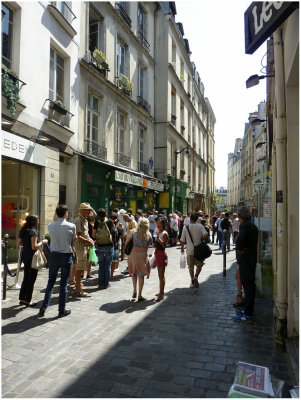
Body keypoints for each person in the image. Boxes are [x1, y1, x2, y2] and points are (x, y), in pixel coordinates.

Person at [39, 205, 76, 317]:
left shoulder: (51, 226)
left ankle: (44, 305)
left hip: (55, 255)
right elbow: (73, 240)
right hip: (65, 255)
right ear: (65, 213)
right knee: (63, 284)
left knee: (51, 281)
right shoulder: (71, 225)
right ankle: (61, 310)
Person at [233, 206, 258, 322]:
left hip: (246, 260)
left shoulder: (244, 226)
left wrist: (240, 248)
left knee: (248, 287)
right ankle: (248, 309)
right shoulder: (253, 226)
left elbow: (241, 240)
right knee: (249, 286)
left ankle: (248, 314)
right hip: (251, 259)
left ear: (240, 217)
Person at [17, 215, 48, 307]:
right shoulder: (33, 232)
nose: (38, 222)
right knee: (31, 280)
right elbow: (34, 246)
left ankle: (22, 298)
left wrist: (26, 243)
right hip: (32, 258)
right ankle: (28, 300)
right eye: (37, 221)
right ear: (34, 222)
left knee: (26, 278)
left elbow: (18, 243)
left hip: (25, 257)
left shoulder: (23, 231)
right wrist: (43, 242)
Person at [125, 218, 152, 301]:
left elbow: (126, 242)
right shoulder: (149, 235)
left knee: (134, 273)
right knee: (141, 275)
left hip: (134, 254)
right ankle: (140, 295)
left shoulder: (134, 232)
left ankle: (134, 290)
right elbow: (148, 246)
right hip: (143, 255)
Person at [180, 213, 208, 288]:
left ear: (190, 219)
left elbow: (182, 240)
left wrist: (182, 248)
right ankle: (196, 276)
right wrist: (201, 239)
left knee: (190, 267)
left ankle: (192, 281)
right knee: (199, 265)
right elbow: (206, 234)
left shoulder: (186, 227)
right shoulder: (200, 226)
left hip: (189, 250)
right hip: (199, 249)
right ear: (197, 219)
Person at [73, 203, 95, 297]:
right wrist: (88, 241)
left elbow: (85, 233)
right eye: (88, 210)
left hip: (84, 246)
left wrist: (89, 240)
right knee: (79, 269)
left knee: (81, 268)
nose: (90, 211)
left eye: (90, 209)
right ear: (82, 210)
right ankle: (78, 290)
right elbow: (77, 236)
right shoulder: (79, 220)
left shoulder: (84, 219)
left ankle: (78, 285)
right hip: (79, 247)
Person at [93, 208, 115, 289]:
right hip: (109, 245)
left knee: (101, 265)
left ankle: (101, 283)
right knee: (108, 265)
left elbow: (93, 235)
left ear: (98, 215)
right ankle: (106, 283)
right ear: (106, 214)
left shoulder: (96, 222)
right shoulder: (109, 221)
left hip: (100, 245)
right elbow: (114, 231)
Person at [152, 217, 168, 302]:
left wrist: (158, 238)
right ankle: (161, 292)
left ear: (162, 224)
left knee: (161, 275)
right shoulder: (159, 232)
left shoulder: (164, 233)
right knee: (159, 275)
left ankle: (161, 294)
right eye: (157, 223)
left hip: (162, 254)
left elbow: (164, 246)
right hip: (157, 253)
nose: (157, 224)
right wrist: (155, 244)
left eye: (158, 223)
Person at [110, 213, 123, 279]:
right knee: (113, 261)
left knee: (108, 261)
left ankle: (106, 274)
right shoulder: (119, 228)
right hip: (116, 246)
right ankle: (111, 275)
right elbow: (121, 236)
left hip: (108, 246)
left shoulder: (108, 226)